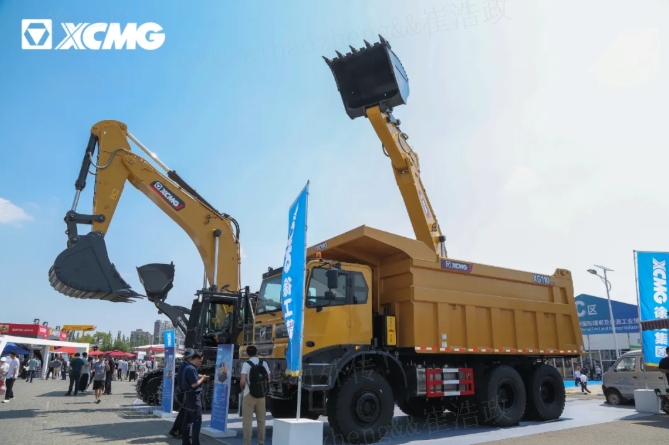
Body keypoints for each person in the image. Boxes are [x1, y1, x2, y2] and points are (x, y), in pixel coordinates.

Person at [240, 345, 271, 445]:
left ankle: (247, 443)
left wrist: (242, 386)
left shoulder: (246, 364)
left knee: (247, 421)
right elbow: (269, 378)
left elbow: (242, 381)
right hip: (261, 395)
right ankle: (261, 442)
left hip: (248, 394)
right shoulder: (263, 363)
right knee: (261, 420)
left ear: (247, 354)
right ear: (256, 352)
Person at [180, 350, 209, 445]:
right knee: (197, 422)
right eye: (200, 361)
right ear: (196, 359)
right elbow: (194, 384)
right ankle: (195, 442)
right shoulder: (192, 369)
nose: (200, 364)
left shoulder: (187, 367)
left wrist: (200, 376)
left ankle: (185, 442)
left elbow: (193, 376)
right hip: (194, 398)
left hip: (188, 397)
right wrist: (203, 379)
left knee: (187, 421)